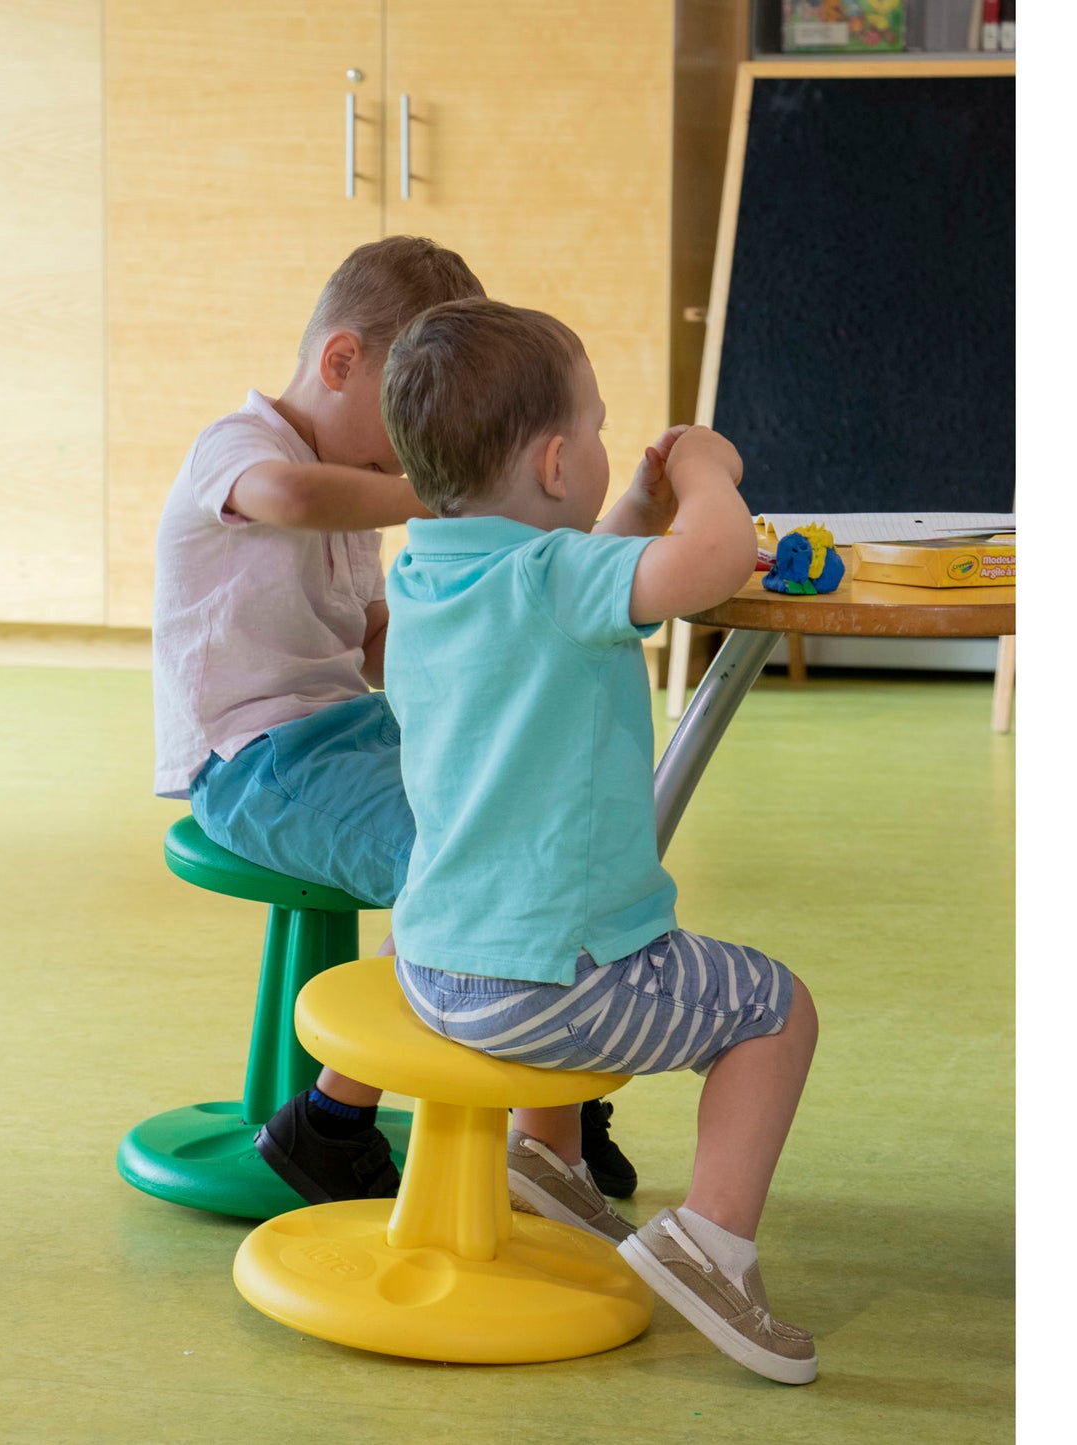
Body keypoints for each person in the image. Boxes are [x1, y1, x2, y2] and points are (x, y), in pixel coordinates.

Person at [379, 297, 821, 1385]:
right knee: (775, 1010)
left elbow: (573, 574)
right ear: (552, 461)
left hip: (433, 962)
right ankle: (710, 1242)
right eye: (595, 427)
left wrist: (630, 502)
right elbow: (711, 558)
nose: (602, 442)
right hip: (547, 982)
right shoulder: (555, 579)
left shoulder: (428, 574)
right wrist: (707, 473)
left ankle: (545, 1153)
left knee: (564, 936)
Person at [150, 239, 638, 1206]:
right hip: (253, 760)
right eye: (413, 407)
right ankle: (336, 1122)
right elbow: (290, 497)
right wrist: (456, 488)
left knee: (548, 823)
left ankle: (549, 1096)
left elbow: (378, 643)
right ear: (340, 361)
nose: (425, 439)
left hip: (350, 731)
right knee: (469, 865)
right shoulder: (242, 447)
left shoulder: (355, 490)